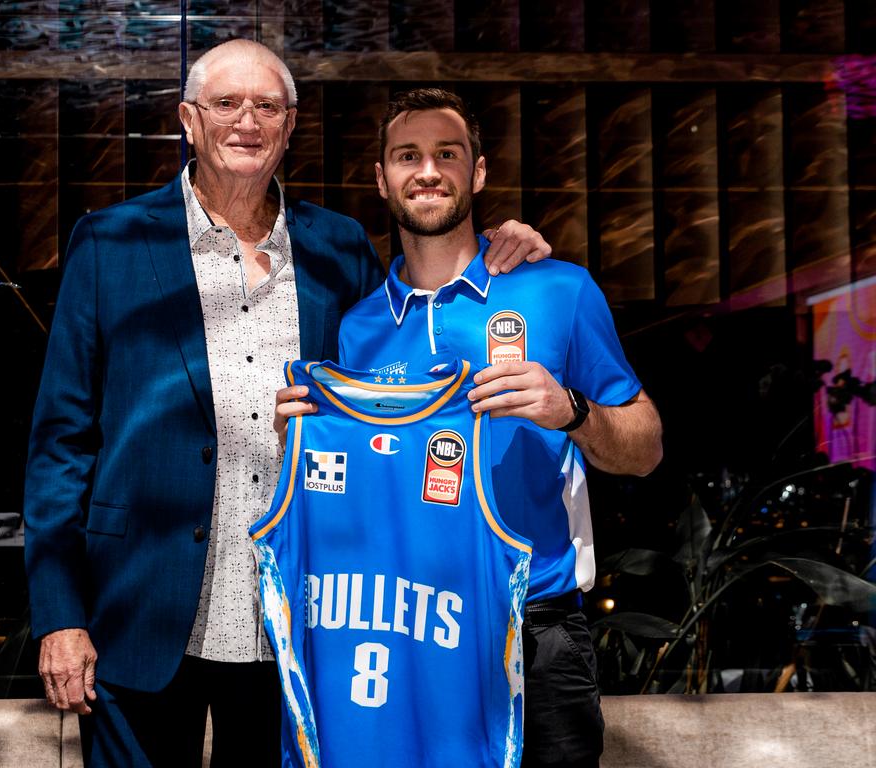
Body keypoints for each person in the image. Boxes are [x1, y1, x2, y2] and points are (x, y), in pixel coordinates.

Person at [24, 40, 552, 767]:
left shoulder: (339, 251)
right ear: (188, 119)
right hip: (136, 615)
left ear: (290, 123)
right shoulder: (111, 242)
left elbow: (404, 362)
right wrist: (59, 614)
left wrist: (500, 245)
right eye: (226, 104)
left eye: (266, 106)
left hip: (298, 626)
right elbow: (60, 442)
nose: (247, 122)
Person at [275, 88, 663, 767]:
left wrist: (571, 409)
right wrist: (302, 444)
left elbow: (646, 450)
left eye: (446, 154)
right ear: (382, 178)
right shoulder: (357, 326)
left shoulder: (557, 289)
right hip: (405, 628)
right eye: (408, 156)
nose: (427, 171)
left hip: (535, 629)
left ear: (478, 173)